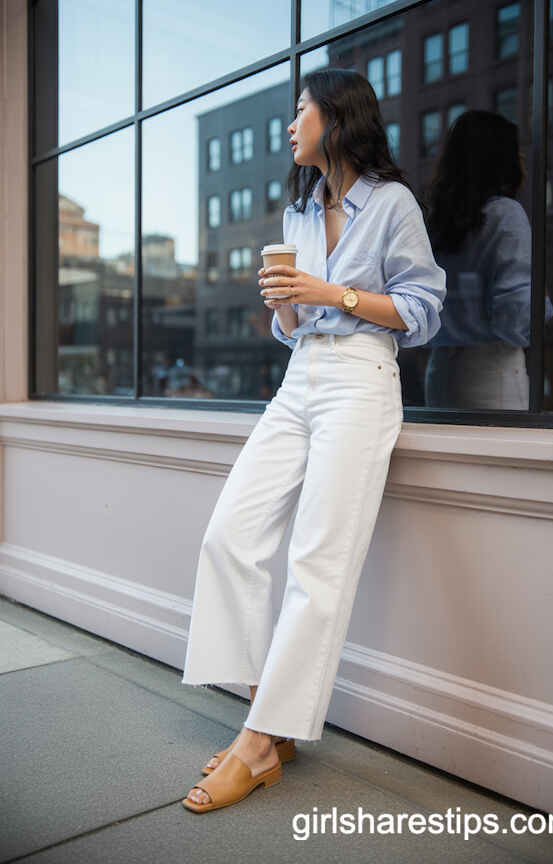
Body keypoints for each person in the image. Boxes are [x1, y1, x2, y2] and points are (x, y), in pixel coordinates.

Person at [181, 68, 446, 814]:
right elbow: (293, 326)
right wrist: (284, 306)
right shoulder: (299, 210)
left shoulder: (392, 204)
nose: (291, 124)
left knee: (316, 562)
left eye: (301, 110)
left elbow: (424, 309)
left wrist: (332, 294)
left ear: (337, 118)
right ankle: (269, 716)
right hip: (300, 378)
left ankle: (259, 742)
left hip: (362, 378)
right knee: (230, 537)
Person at [425, 110, 553, 410]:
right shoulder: (506, 214)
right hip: (491, 370)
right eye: (518, 154)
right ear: (501, 160)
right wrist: (543, 299)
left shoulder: (439, 222)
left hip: (440, 369)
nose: (522, 161)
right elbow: (517, 319)